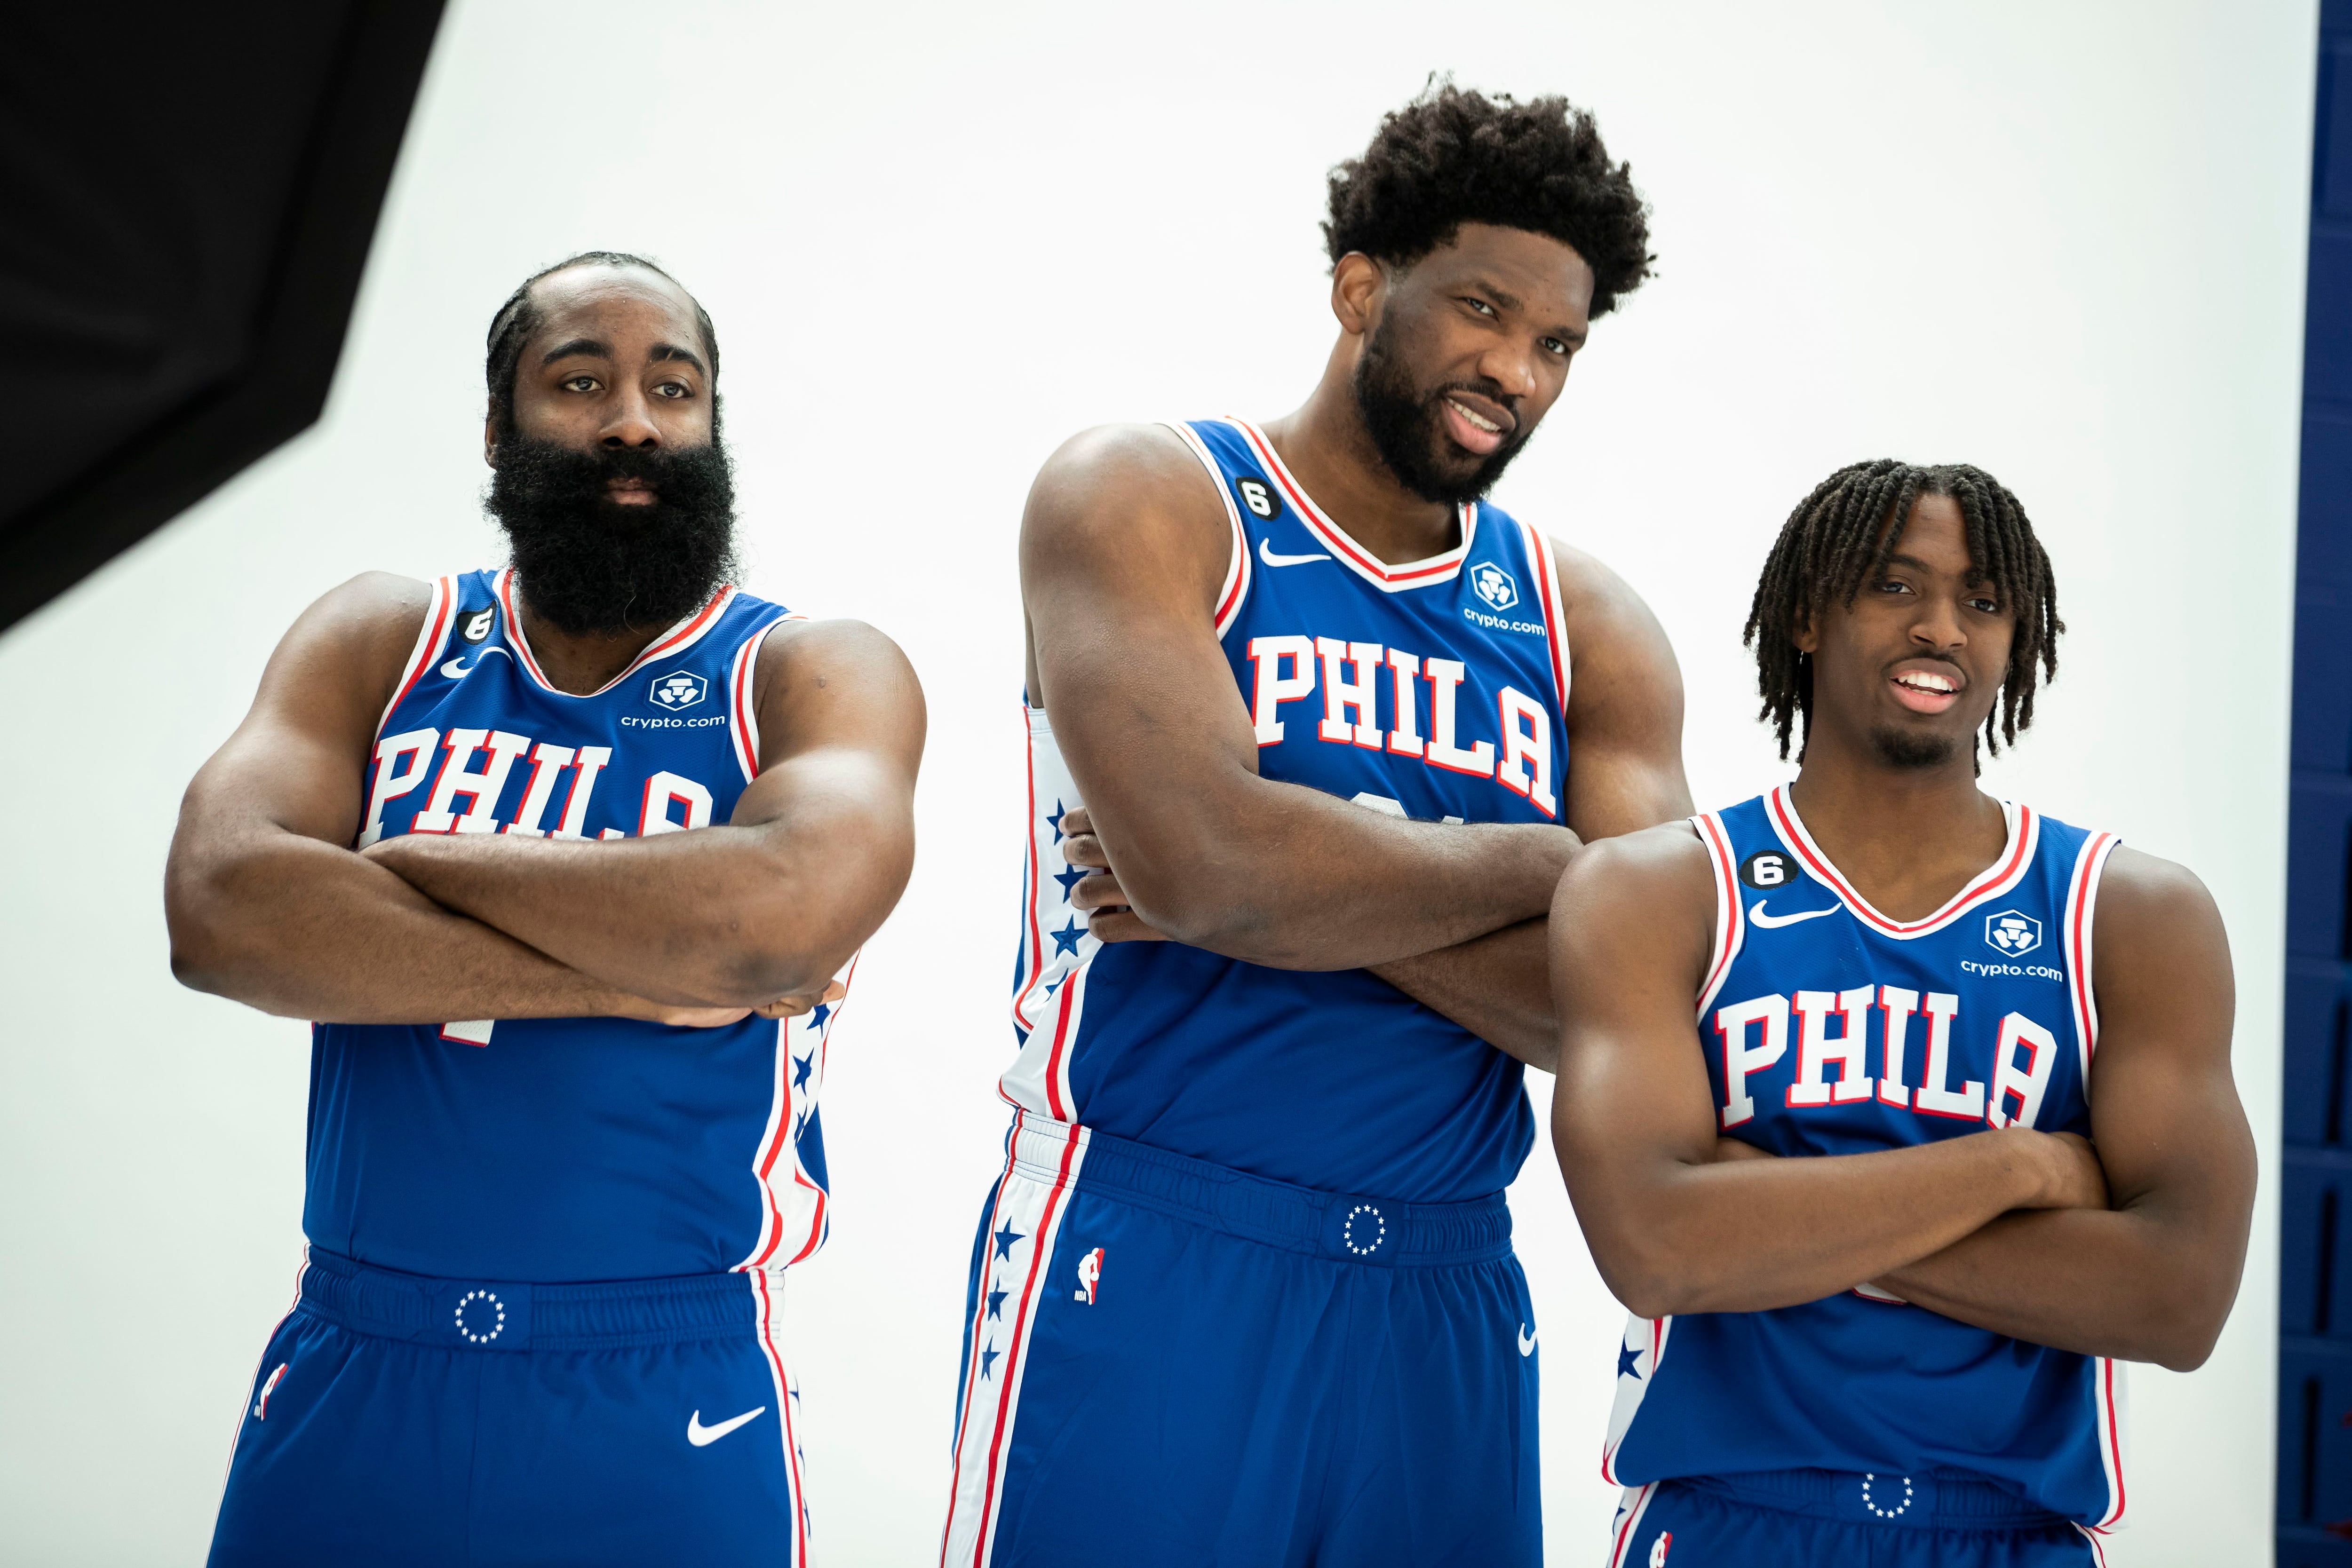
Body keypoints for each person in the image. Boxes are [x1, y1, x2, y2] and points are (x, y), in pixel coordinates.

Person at [939, 87, 1690, 1565]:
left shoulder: (1588, 627)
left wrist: (1289, 873)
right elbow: (1211, 866)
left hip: (1442, 1281)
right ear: (1361, 287)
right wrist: (1539, 865)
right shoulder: (1149, 495)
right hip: (1153, 1239)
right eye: (1484, 309)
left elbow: (1639, 1013)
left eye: (1557, 344)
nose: (1516, 371)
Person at [166, 252, 925, 1567]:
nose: (633, 420)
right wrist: (643, 971)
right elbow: (222, 906)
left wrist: (405, 859)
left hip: (663, 1385)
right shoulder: (386, 638)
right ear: (497, 426)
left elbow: (777, 919)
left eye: (673, 389)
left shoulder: (805, 671)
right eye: (579, 382)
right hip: (359, 1365)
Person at [1549, 460, 2257, 1567]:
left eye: (1983, 599)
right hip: (1729, 1521)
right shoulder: (1659, 891)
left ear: (2017, 639)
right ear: (1805, 615)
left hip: (2009, 1532)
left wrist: (1760, 1215)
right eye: (1893, 585)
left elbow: (2178, 1297)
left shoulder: (2129, 914)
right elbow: (1653, 1248)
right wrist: (2015, 1167)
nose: (1941, 628)